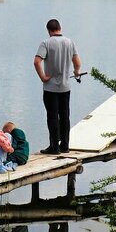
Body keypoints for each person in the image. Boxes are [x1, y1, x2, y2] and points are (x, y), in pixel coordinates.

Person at [33, 18, 81, 154]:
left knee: (52, 117)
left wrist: (43, 77)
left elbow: (37, 62)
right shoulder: (69, 42)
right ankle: (65, 146)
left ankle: (54, 147)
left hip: (50, 88)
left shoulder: (46, 43)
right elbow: (77, 62)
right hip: (66, 87)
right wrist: (76, 73)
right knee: (65, 117)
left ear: (49, 30)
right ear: (60, 28)